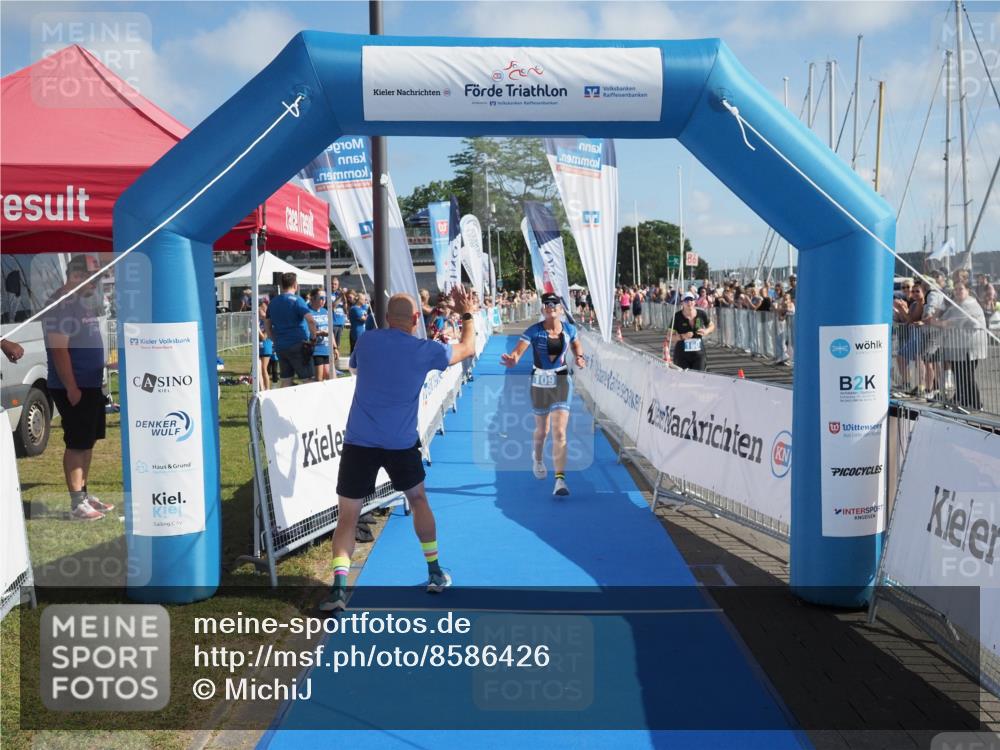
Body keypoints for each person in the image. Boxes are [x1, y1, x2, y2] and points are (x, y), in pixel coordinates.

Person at [321, 287, 479, 612]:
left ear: (386, 317)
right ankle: (434, 571)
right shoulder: (425, 349)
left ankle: (338, 589)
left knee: (348, 515)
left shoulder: (366, 341)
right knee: (418, 500)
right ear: (416, 318)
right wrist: (466, 314)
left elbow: (357, 366)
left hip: (359, 441)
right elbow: (468, 348)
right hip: (400, 442)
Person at [41, 255, 114, 521]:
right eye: (93, 278)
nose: (96, 283)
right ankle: (76, 504)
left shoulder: (79, 303)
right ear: (77, 276)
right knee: (76, 443)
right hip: (74, 386)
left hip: (90, 383)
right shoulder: (61, 305)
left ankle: (84, 493)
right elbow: (59, 350)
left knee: (88, 441)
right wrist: (71, 387)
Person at [500, 292, 585, 497]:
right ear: (542, 310)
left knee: (560, 432)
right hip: (539, 380)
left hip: (561, 378)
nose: (551, 306)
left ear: (561, 309)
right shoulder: (534, 331)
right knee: (542, 431)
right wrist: (514, 358)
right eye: (547, 304)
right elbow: (519, 351)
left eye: (555, 303)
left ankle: (560, 480)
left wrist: (579, 357)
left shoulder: (569, 329)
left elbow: (575, 343)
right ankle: (537, 458)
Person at [929, 281, 987, 411]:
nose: (957, 292)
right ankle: (964, 401)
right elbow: (936, 319)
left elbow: (947, 323)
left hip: (969, 348)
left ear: (968, 290)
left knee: (966, 376)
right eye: (955, 289)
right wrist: (943, 305)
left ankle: (976, 404)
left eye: (960, 289)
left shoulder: (968, 304)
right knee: (960, 375)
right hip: (957, 347)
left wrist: (940, 322)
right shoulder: (956, 305)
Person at [264, 272, 319, 387]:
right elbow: (311, 321)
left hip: (281, 346)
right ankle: (310, 404)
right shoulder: (297, 300)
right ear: (295, 284)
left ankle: (283, 404)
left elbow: (267, 325)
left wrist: (274, 340)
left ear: (282, 285)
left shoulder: (273, 302)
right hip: (298, 344)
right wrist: (313, 339)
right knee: (307, 379)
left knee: (286, 379)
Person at [666, 291, 716, 371]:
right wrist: (683, 336)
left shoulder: (701, 314)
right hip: (682, 355)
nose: (689, 302)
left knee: (699, 377)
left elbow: (712, 325)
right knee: (684, 380)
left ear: (695, 301)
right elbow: (669, 337)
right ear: (682, 303)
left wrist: (706, 331)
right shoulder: (677, 317)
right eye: (686, 300)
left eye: (691, 300)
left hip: (699, 354)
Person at [308, 288, 332, 381]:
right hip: (316, 349)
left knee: (329, 375)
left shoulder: (325, 311)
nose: (323, 300)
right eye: (321, 298)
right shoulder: (308, 312)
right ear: (313, 298)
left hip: (327, 348)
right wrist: (319, 333)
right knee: (319, 378)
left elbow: (330, 330)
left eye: (325, 298)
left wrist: (334, 347)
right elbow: (306, 331)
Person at [330, 277, 348, 372]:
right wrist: (341, 296)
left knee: (338, 346)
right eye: (332, 283)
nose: (333, 285)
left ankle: (335, 366)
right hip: (332, 323)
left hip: (340, 323)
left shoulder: (339, 294)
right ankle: (331, 366)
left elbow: (345, 309)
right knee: (332, 346)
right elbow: (332, 305)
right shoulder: (329, 294)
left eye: (335, 284)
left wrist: (344, 298)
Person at [257, 297, 273, 391]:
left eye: (263, 309)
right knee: (258, 369)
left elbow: (263, 337)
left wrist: (257, 329)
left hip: (266, 347)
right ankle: (261, 388)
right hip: (258, 346)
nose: (260, 311)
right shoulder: (258, 321)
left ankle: (267, 389)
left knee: (263, 368)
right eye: (259, 309)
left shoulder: (268, 321)